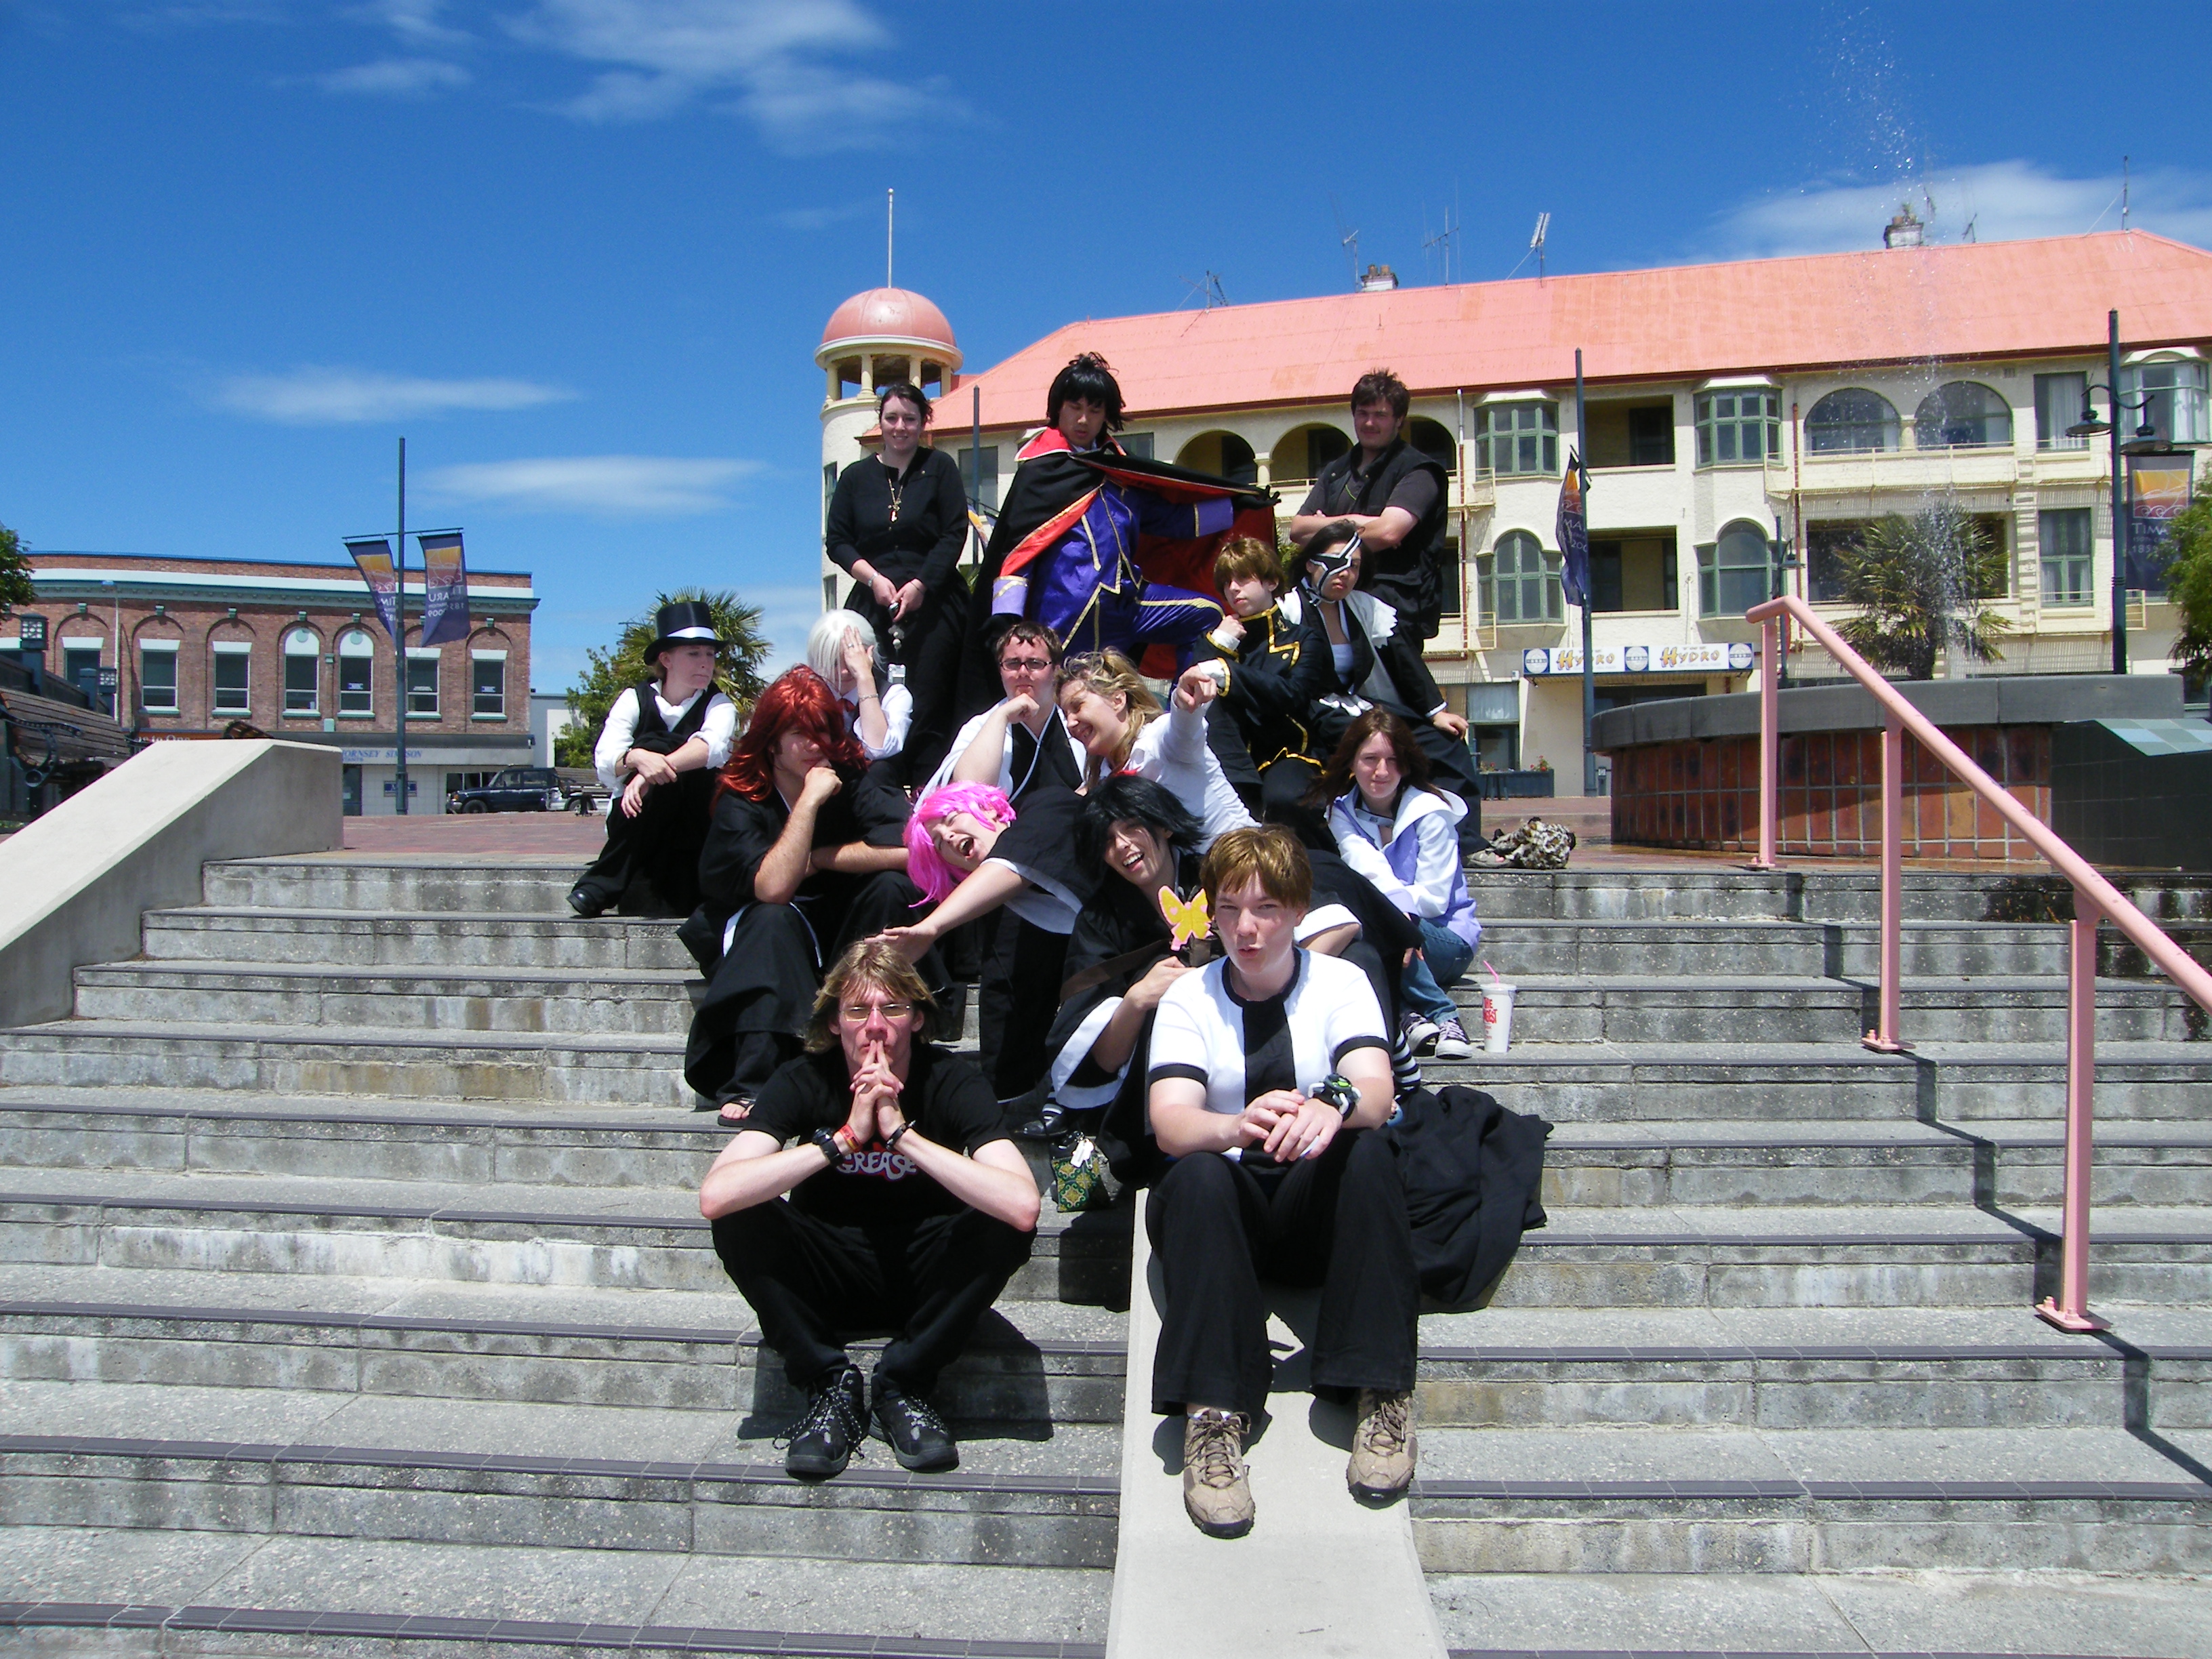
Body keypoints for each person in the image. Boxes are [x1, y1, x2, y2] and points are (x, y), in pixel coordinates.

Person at [1143, 826, 1420, 1538]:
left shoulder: (1341, 982)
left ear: (1298, 911)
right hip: (1224, 1211)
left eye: (1266, 908)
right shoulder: (1190, 997)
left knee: (1368, 1153)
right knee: (1195, 1175)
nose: (1246, 928)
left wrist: (1332, 1104)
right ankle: (1212, 1415)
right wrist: (1234, 1126)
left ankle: (1380, 1392)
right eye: (1230, 909)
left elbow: (1376, 1088)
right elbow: (1170, 1121)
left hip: (1310, 1208)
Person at [698, 939, 1039, 1481]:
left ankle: (903, 1384)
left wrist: (902, 1136)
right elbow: (716, 1195)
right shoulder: (803, 1077)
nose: (875, 1027)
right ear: (835, 1022)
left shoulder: (951, 1079)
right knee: (741, 1211)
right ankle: (828, 1385)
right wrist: (843, 1140)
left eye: (892, 1009)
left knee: (1002, 1222)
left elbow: (1022, 1205)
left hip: (924, 1273)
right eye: (857, 1010)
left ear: (917, 1019)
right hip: (828, 1269)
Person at [1041, 777, 1368, 1158]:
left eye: (1132, 827)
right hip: (1182, 1089)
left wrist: (1261, 974)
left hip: (1278, 1034)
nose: (1123, 845)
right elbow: (1103, 1060)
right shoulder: (1100, 920)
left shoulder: (1219, 876)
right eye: (1108, 840)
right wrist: (1137, 1000)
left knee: (1363, 958)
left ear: (1163, 825)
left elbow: (1337, 923)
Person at [682, 667, 928, 1125]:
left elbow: (909, 850)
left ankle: (891, 1056)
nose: (815, 745)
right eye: (799, 734)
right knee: (772, 919)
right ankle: (757, 1080)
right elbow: (773, 888)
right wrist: (811, 802)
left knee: (892, 888)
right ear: (772, 741)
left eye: (823, 731)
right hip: (762, 932)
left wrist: (823, 858)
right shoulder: (742, 795)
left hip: (838, 922)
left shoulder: (853, 774)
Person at [961, 353, 1270, 710]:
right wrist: (1008, 623)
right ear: (1057, 409)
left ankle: (1183, 716)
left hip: (1128, 603)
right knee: (1069, 704)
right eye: (1075, 407)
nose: (1083, 419)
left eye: (1095, 410)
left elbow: (1174, 520)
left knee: (1205, 614)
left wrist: (1237, 505)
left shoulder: (1120, 473)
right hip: (1067, 616)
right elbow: (1018, 553)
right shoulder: (1041, 473)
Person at [886, 779, 1092, 1101]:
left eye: (952, 820)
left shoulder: (1048, 803)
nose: (948, 837)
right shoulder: (999, 915)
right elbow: (1004, 1009)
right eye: (939, 844)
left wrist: (932, 927)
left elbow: (1017, 860)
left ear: (990, 810)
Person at [1292, 523, 1483, 850]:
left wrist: (1437, 713)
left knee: (1444, 743)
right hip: (1310, 713)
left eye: (1354, 566)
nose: (1345, 574)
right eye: (1336, 562)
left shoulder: (1364, 607)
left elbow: (1404, 660)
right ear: (1311, 564)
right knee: (1374, 744)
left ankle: (1462, 842)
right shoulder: (1288, 610)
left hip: (1360, 706)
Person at [824, 382, 972, 783]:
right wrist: (873, 578)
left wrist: (921, 585)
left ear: (923, 422)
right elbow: (837, 541)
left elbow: (953, 533)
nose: (900, 427)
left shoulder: (940, 467)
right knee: (872, 688)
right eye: (892, 418)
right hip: (873, 600)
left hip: (935, 599)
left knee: (933, 695)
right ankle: (876, 783)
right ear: (881, 422)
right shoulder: (855, 477)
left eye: (910, 418)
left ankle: (930, 786)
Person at [1317, 710, 1481, 1061]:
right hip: (1393, 932)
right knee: (1359, 927)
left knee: (1372, 925)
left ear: (1406, 765)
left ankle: (1444, 1015)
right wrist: (1394, 917)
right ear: (1352, 762)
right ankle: (1407, 1014)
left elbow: (1436, 899)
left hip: (1445, 938)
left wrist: (1396, 917)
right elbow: (1367, 867)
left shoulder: (1431, 812)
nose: (1381, 771)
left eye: (1393, 760)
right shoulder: (1341, 813)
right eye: (1370, 759)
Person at [568, 600, 739, 919]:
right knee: (653, 746)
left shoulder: (720, 704)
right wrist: (637, 757)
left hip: (694, 822)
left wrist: (649, 774)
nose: (706, 663)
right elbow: (606, 761)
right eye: (694, 653)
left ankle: (602, 883)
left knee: (670, 754)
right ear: (666, 659)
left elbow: (711, 748)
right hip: (639, 821)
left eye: (710, 654)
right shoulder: (633, 699)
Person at [1286, 368, 1452, 642]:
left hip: (1392, 612)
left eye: (1380, 415)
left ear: (1399, 419)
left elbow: (1388, 533)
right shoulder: (1336, 471)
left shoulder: (1419, 471)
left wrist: (1326, 530)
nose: (1369, 423)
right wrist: (1363, 524)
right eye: (1363, 413)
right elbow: (1298, 530)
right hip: (1332, 606)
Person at [1054, 650, 1253, 851]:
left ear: (1117, 701)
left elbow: (1184, 725)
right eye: (1065, 714)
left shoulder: (1160, 740)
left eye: (1077, 707)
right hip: (1192, 870)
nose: (1070, 723)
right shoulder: (1102, 781)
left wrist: (1184, 698)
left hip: (1243, 858)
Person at [1190, 535, 1322, 836]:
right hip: (1227, 763)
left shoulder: (1302, 639)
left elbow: (1294, 695)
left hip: (1287, 751)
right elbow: (1193, 691)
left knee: (1284, 800)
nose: (1233, 589)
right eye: (1227, 583)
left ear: (1271, 582)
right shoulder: (1215, 641)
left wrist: (1228, 673)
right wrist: (1220, 644)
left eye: (1243, 578)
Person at [930, 620, 1082, 802]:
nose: (1023, 672)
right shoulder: (981, 726)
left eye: (1035, 663)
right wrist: (1002, 717)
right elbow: (968, 793)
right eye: (1012, 663)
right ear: (1001, 671)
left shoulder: (1076, 722)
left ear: (1056, 671)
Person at [807, 609, 912, 769]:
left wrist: (864, 677)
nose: (844, 671)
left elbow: (879, 748)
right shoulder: (809, 694)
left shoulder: (894, 695)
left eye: (851, 660)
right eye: (834, 663)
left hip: (872, 782)